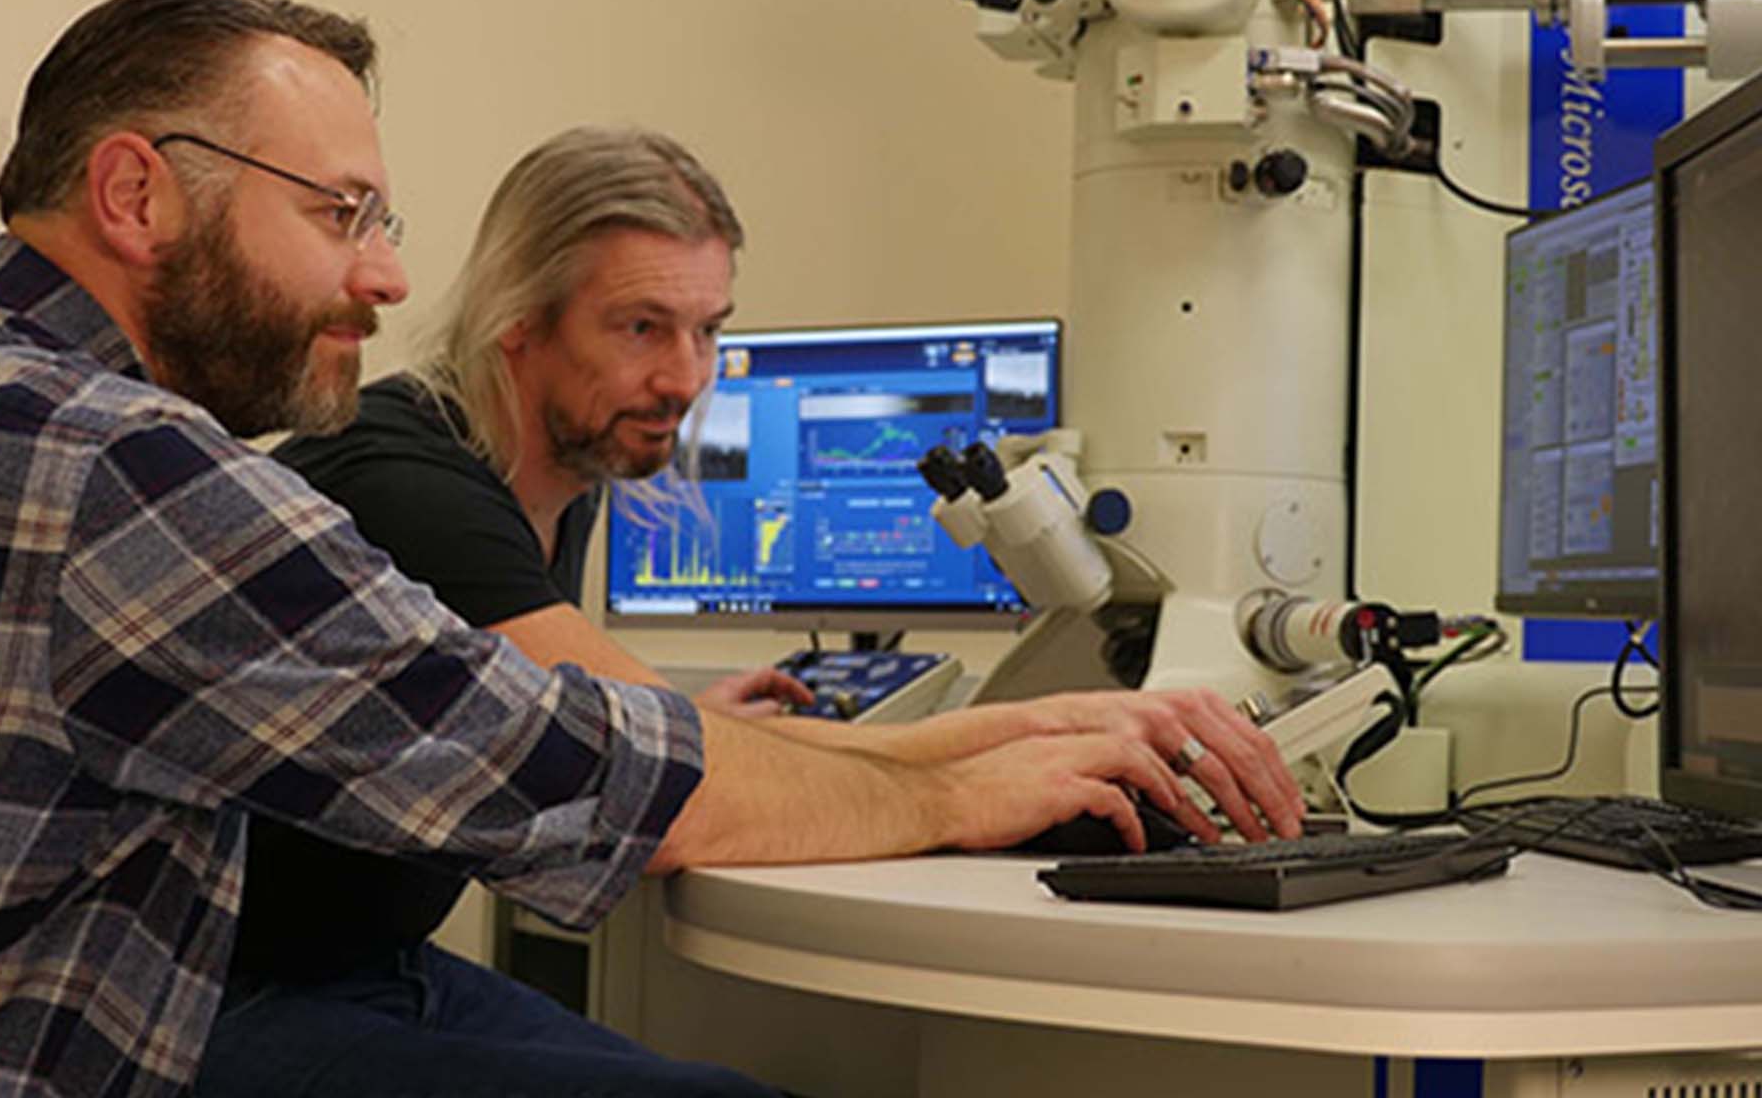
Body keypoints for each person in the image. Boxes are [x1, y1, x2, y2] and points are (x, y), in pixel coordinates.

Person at [0, 0, 1298, 1098]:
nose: (385, 269)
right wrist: (980, 783)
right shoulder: (126, 468)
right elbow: (603, 777)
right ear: (136, 193)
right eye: (338, 212)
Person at [204, 125, 1310, 1094]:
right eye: (642, 327)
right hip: (217, 1002)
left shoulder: (554, 474)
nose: (688, 378)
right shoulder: (408, 480)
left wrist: (1034, 731)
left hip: (364, 969)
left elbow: (618, 727)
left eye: (706, 329)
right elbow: (663, 787)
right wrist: (985, 772)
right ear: (519, 321)